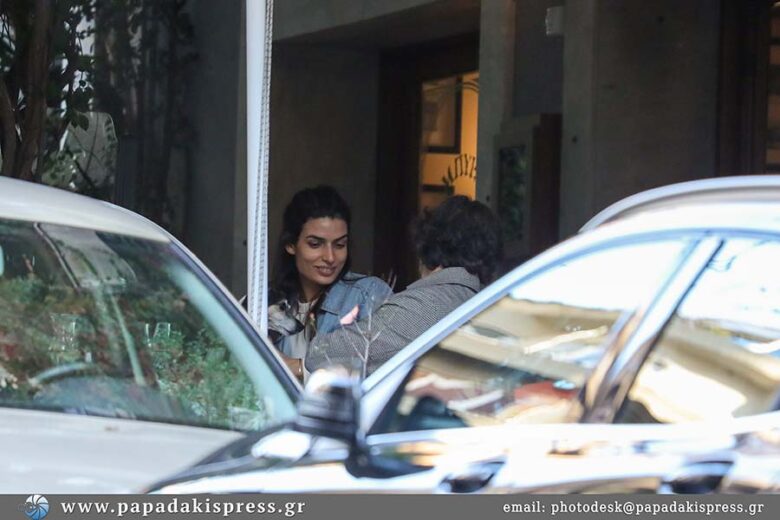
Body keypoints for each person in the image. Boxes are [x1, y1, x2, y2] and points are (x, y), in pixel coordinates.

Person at [305, 195, 503, 378]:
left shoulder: (422, 307)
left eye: (340, 245)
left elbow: (321, 355)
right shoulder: (488, 306)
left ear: (428, 246)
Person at [268, 186, 392, 379]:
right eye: (315, 244)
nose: (330, 257)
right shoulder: (264, 300)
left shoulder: (368, 295)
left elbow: (386, 368)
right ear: (290, 244)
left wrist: (298, 368)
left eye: (340, 245)